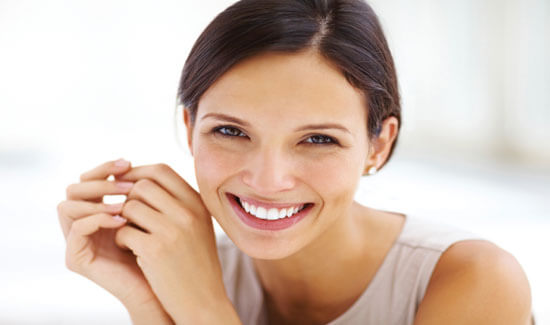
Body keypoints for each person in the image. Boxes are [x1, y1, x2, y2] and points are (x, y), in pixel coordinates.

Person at [57, 0, 534, 324]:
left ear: (378, 145)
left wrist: (201, 309)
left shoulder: (475, 279)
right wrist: (145, 299)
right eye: (230, 131)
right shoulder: (183, 269)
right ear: (188, 128)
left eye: (319, 139)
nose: (268, 180)